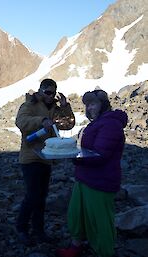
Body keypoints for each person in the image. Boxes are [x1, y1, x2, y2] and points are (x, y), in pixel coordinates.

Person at [56, 89, 128, 257]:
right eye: (87, 105)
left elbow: (100, 155)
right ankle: (76, 246)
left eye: (93, 104)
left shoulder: (110, 124)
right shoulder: (97, 123)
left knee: (100, 220)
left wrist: (74, 156)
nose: (89, 108)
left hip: (101, 181)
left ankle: (104, 252)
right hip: (84, 177)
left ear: (103, 105)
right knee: (77, 213)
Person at [15, 78, 75, 246]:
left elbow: (67, 125)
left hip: (47, 158)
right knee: (33, 195)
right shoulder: (29, 105)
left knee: (41, 197)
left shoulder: (55, 108)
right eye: (47, 92)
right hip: (30, 156)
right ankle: (21, 228)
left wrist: (65, 108)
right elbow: (21, 121)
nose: (50, 96)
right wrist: (41, 121)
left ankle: (39, 231)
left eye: (53, 93)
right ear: (40, 91)